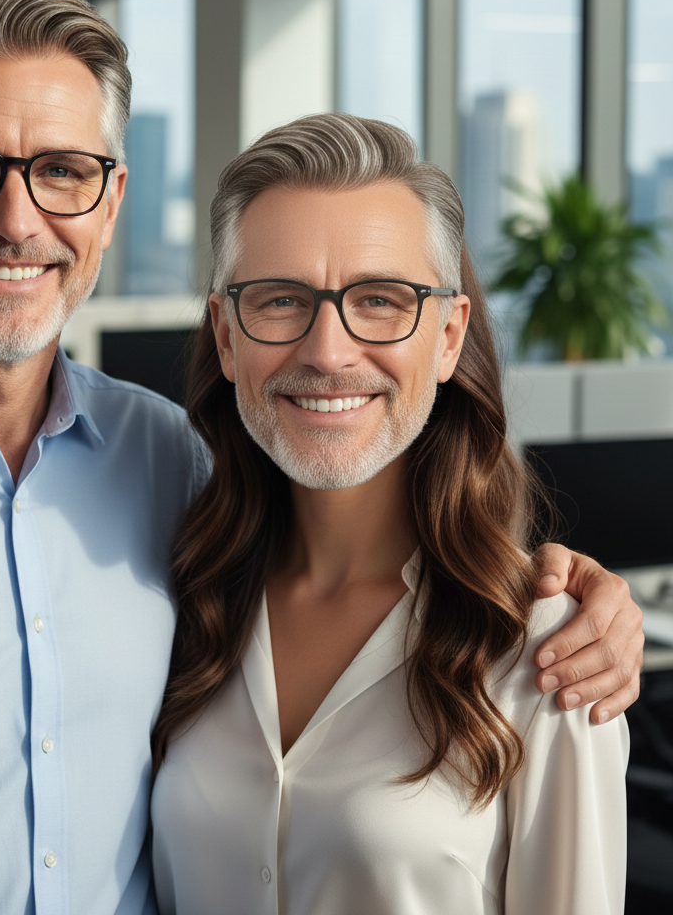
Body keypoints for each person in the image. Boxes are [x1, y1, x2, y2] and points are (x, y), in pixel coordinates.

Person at [0, 0, 639, 914]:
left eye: (63, 172)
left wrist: (587, 600)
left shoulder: (170, 467)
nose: (13, 218)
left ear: (111, 203)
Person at [150, 114, 631, 915]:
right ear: (226, 339)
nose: (328, 350)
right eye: (278, 301)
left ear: (448, 337)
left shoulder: (547, 647)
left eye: (379, 300)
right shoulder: (180, 602)